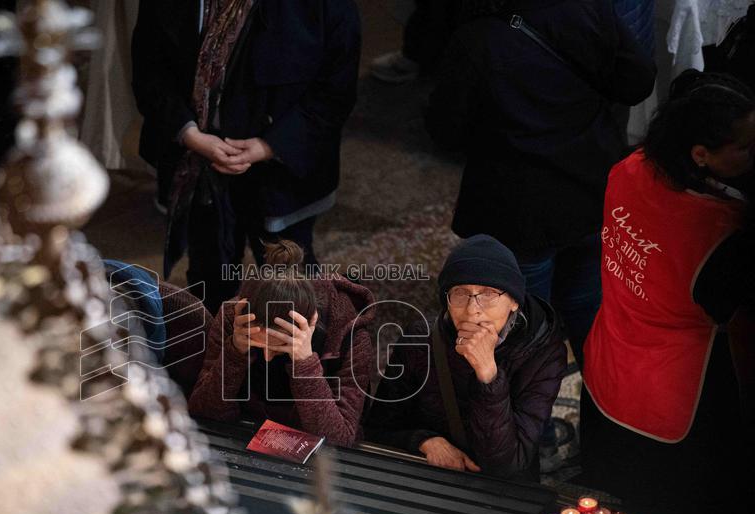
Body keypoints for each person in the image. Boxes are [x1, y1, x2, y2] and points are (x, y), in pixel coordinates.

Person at [424, 0, 656, 366]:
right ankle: (603, 413)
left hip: (518, 212)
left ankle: (535, 423)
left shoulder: (476, 38)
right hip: (591, 192)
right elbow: (637, 82)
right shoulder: (585, 8)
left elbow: (446, 131)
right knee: (589, 316)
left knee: (525, 334)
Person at [580, 70, 755, 514]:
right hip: (671, 394)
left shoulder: (631, 166)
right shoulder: (721, 234)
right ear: (702, 155)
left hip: (611, 357)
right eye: (745, 147)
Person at [131, 0, 361, 312]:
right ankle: (216, 351)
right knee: (210, 276)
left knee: (288, 285)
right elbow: (150, 71)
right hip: (199, 166)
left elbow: (335, 90)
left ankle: (296, 359)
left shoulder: (321, 8)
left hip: (282, 174)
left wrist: (269, 146)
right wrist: (190, 135)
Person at [366, 235, 567, 481]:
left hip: (502, 491)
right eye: (460, 293)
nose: (472, 310)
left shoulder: (542, 349)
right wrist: (424, 441)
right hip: (431, 476)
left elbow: (508, 465)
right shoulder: (421, 339)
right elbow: (378, 427)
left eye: (488, 293)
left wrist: (488, 376)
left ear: (514, 301)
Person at [187, 240, 375, 445]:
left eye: (280, 349)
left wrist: (304, 364)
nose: (266, 357)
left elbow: (341, 439)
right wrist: (235, 352)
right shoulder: (234, 317)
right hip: (246, 436)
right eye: (258, 345)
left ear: (310, 323)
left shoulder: (351, 336)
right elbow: (204, 412)